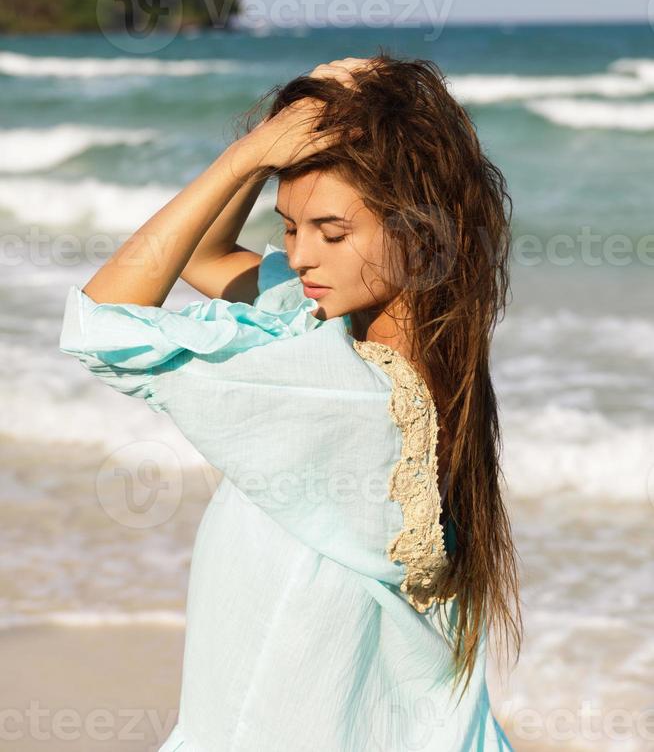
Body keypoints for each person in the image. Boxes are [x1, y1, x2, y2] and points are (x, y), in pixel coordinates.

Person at [59, 53, 521, 751]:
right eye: (289, 227)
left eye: (333, 233)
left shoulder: (333, 388)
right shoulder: (377, 353)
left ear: (420, 233)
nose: (302, 257)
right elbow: (206, 255)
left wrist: (249, 155)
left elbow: (106, 324)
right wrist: (275, 146)